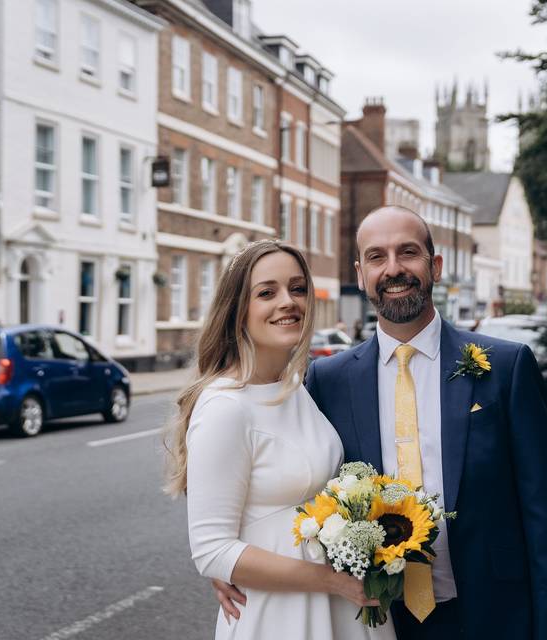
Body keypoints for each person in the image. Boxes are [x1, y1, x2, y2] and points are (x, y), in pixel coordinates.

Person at [214, 207, 547, 640]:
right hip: (370, 619)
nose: (393, 269)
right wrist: (231, 559)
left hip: (490, 614)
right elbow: (295, 483)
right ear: (361, 273)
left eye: (408, 252)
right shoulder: (328, 380)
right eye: (376, 257)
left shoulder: (506, 366)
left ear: (435, 265)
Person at [166, 239, 395, 639]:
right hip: (280, 615)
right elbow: (212, 550)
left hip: (341, 607)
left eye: (298, 288)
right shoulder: (225, 408)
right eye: (267, 292)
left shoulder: (296, 388)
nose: (287, 302)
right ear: (238, 310)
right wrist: (333, 581)